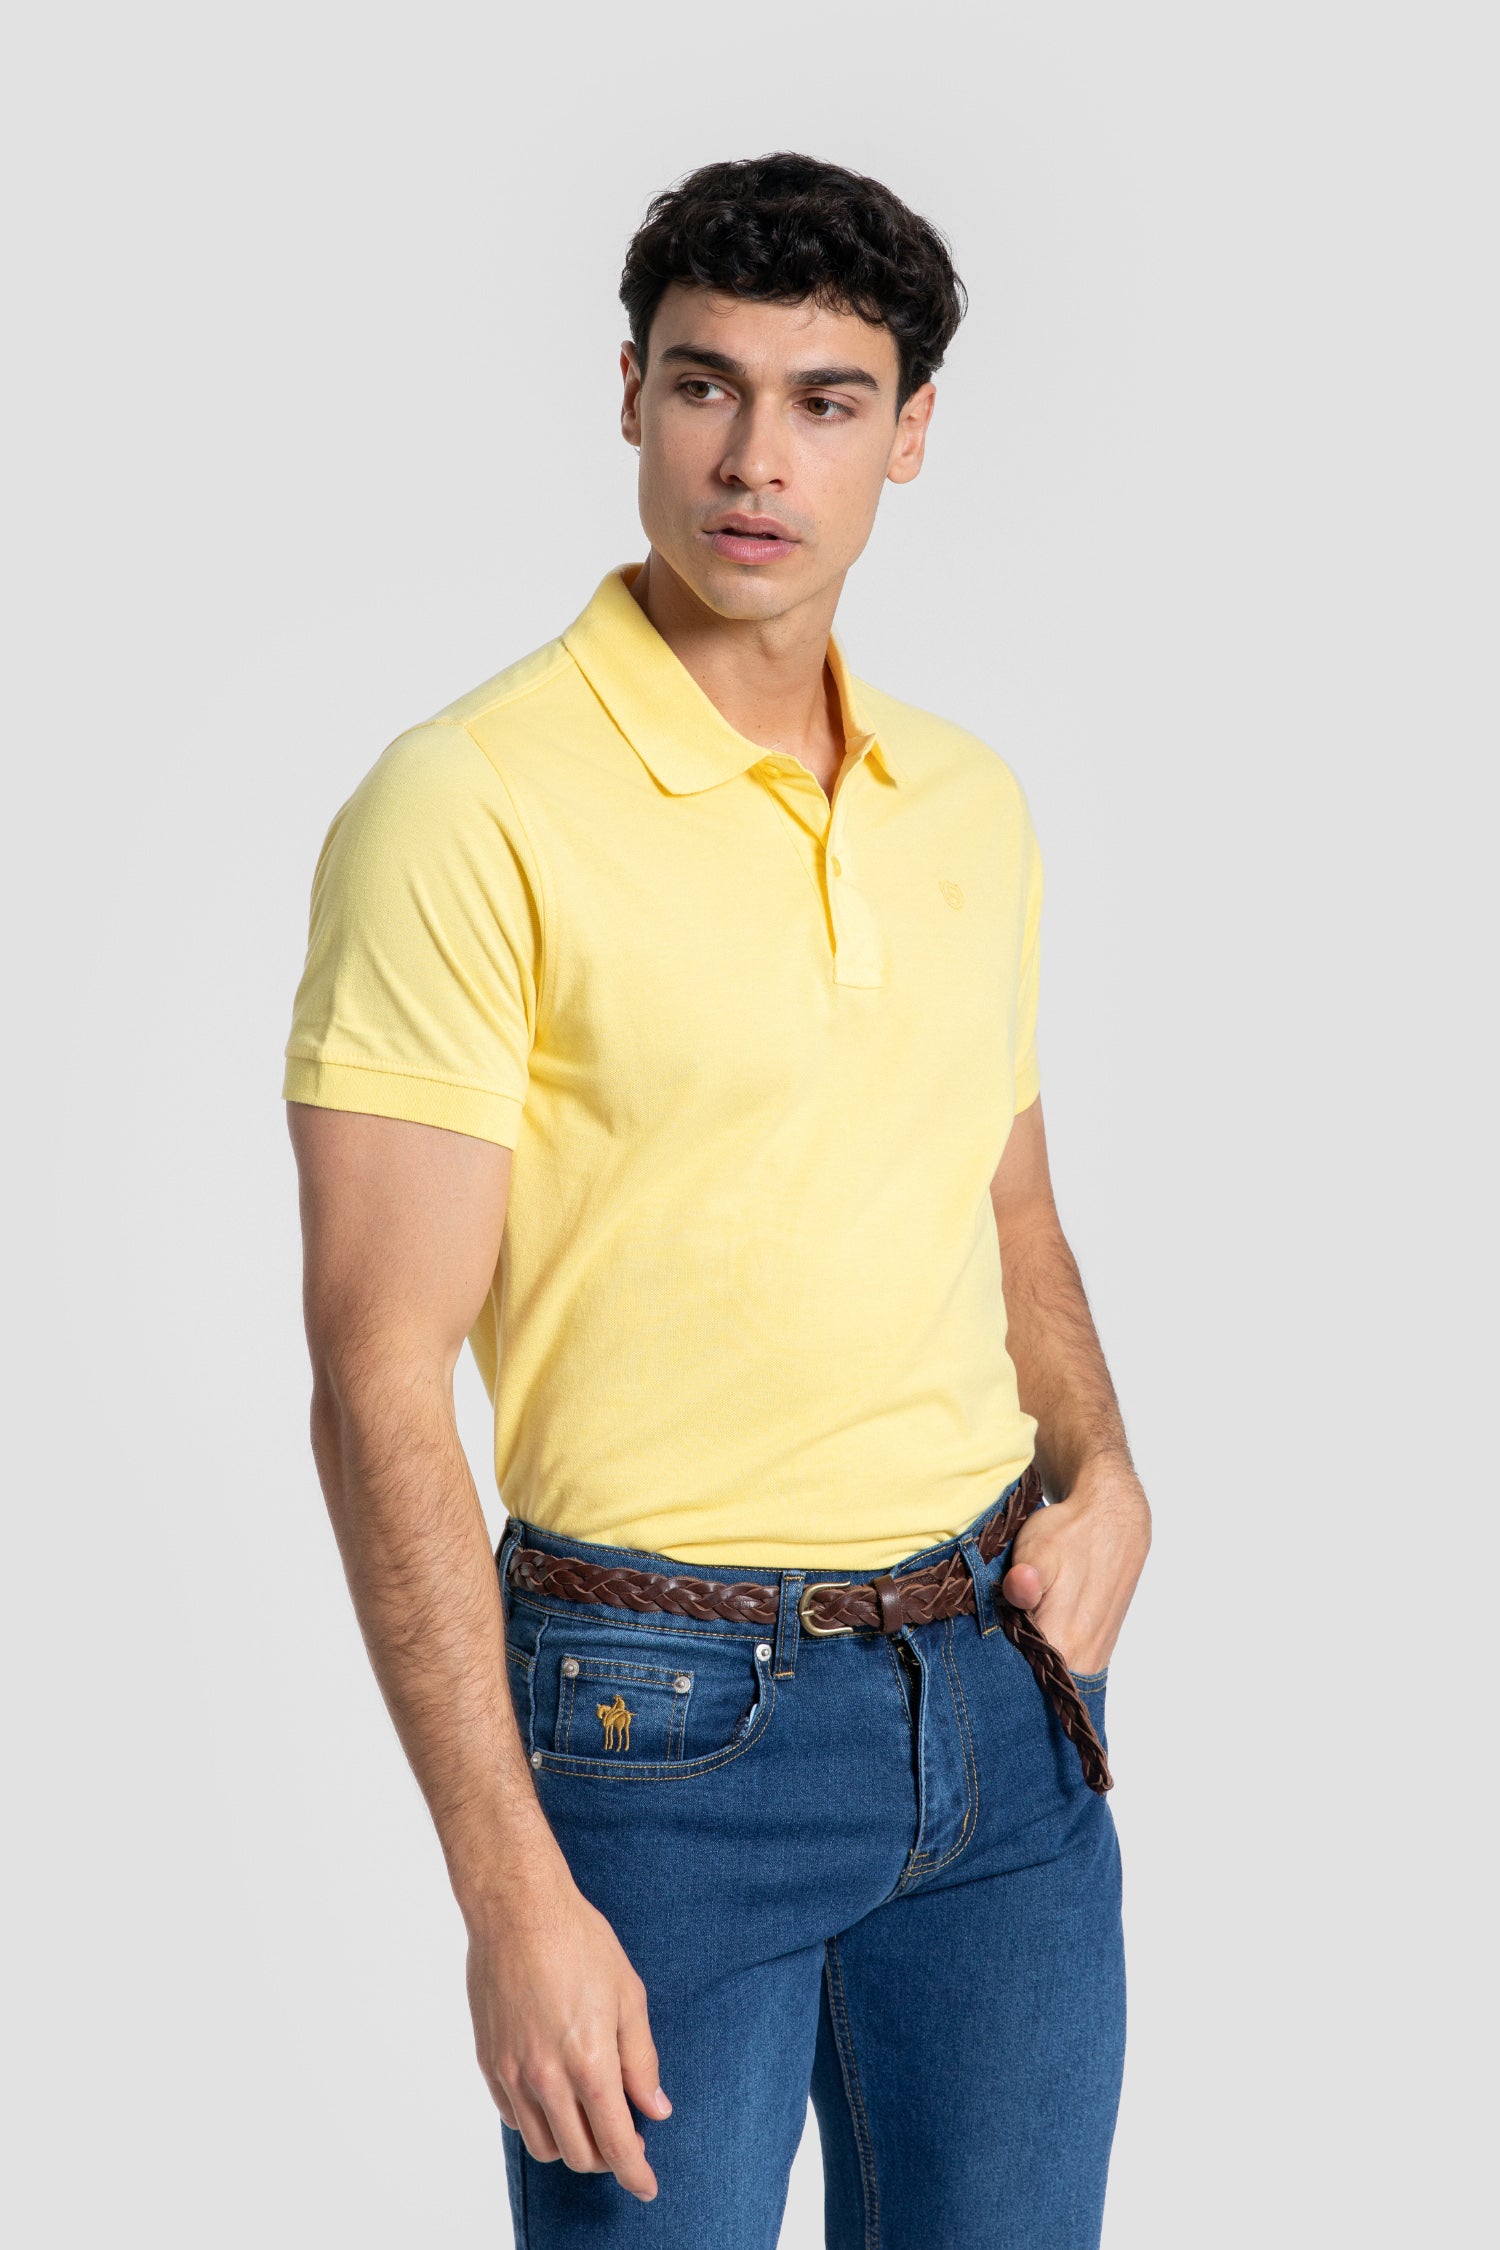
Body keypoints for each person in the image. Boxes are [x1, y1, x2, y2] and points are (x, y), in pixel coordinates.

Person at [283, 150, 1152, 2250]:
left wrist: (1108, 1467)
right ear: (631, 395)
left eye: (826, 400)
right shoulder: (467, 803)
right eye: (706, 386)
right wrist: (509, 1893)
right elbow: (379, 1376)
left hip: (1001, 1709)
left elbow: (1008, 1205)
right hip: (659, 1729)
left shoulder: (967, 801)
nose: (757, 459)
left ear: (909, 432)